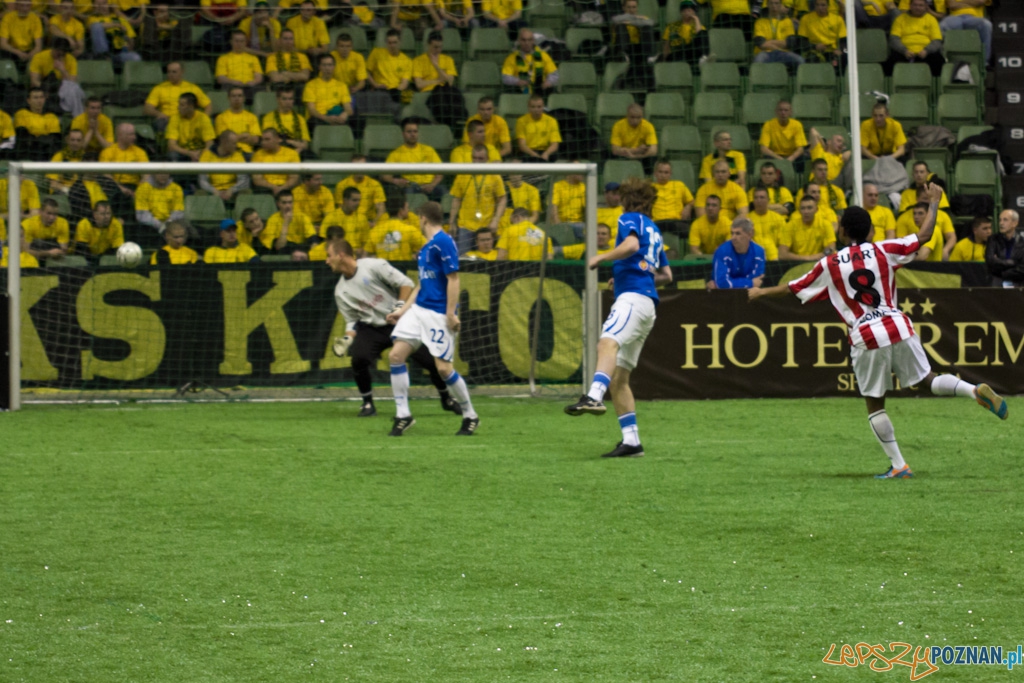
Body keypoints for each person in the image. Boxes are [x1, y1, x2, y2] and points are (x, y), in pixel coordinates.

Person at [749, 187, 1008, 479]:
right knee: (927, 379)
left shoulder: (830, 264)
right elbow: (924, 236)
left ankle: (899, 465)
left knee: (875, 403)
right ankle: (973, 390)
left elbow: (793, 287)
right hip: (898, 324)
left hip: (866, 334)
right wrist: (934, 202)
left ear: (842, 231)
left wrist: (761, 292)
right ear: (871, 230)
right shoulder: (884, 249)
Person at [564, 178, 672, 458]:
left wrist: (601, 257)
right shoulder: (655, 230)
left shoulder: (629, 218)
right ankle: (632, 442)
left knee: (606, 343)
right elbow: (666, 275)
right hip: (647, 305)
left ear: (627, 199)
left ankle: (593, 397)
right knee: (619, 379)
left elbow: (632, 245)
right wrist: (625, 277)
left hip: (633, 299)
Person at [325, 235, 463, 418]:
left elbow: (406, 284)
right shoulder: (340, 291)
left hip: (401, 319)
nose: (327, 261)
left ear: (341, 255)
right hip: (372, 328)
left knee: (432, 360)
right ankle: (367, 403)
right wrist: (347, 338)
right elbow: (352, 319)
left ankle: (446, 398)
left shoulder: (373, 266)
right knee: (358, 359)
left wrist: (398, 309)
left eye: (329, 255)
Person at [385, 201, 480, 436]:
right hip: (418, 310)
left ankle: (470, 415)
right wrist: (402, 311)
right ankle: (403, 415)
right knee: (396, 356)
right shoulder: (426, 248)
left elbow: (454, 279)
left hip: (438, 313)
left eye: (419, 218)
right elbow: (421, 284)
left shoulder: (443, 242)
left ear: (423, 218)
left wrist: (450, 313)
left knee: (444, 369)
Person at [449, 145, 507, 253]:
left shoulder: (494, 176)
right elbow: (457, 199)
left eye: (480, 158)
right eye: (474, 158)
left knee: (485, 259)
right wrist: (452, 222)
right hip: (465, 226)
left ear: (487, 159)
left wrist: (495, 220)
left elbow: (502, 199)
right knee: (463, 258)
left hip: (486, 227)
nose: (476, 161)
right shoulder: (463, 174)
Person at [382, 119, 444, 198]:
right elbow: (385, 175)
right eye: (409, 132)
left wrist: (432, 185)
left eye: (415, 131)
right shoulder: (396, 153)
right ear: (403, 134)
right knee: (409, 191)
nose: (413, 134)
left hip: (431, 185)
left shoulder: (428, 150)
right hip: (410, 186)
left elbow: (440, 172)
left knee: (445, 192)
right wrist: (396, 181)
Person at [98, 123, 148, 218]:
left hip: (135, 187)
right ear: (120, 135)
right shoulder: (107, 152)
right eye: (131, 134)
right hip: (115, 186)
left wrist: (139, 190)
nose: (134, 137)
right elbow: (106, 175)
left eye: (134, 134)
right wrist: (121, 188)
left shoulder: (140, 152)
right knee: (118, 194)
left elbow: (146, 175)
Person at [144, 63, 212, 132]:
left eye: (174, 72)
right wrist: (159, 114)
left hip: (189, 119)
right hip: (168, 119)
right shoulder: (159, 88)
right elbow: (147, 108)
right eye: (169, 72)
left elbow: (208, 106)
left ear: (182, 72)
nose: (171, 75)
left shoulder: (192, 88)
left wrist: (203, 119)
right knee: (159, 124)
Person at [28, 39, 86, 117]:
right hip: (45, 88)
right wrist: (45, 88)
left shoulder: (71, 59)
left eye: (63, 54)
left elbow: (72, 83)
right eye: (58, 53)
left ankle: (77, 116)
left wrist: (62, 70)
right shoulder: (39, 57)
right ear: (53, 48)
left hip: (62, 90)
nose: (60, 56)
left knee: (74, 89)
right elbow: (34, 81)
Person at [887, 0, 945, 77]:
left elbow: (937, 41)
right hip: (904, 52)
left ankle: (935, 84)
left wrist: (926, 51)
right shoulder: (900, 19)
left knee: (938, 60)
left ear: (926, 7)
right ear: (910, 6)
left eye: (921, 5)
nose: (917, 7)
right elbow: (894, 39)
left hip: (925, 52)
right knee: (890, 62)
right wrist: (904, 51)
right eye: (915, 5)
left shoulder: (931, 19)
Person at [894, 192, 955, 261]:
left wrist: (902, 260)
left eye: (920, 213)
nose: (916, 217)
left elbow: (922, 256)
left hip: (931, 267)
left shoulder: (932, 231)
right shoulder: (921, 231)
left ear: (929, 215)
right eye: (914, 213)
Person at [364, 194, 426, 260]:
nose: (408, 210)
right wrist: (415, 256)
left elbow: (365, 256)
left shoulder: (375, 231)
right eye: (407, 207)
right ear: (401, 211)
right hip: (404, 266)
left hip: (382, 266)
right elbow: (428, 247)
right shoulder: (410, 230)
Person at [711, 218, 766, 289]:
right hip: (725, 294)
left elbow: (758, 280)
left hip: (751, 292)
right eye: (732, 233)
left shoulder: (759, 252)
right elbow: (722, 283)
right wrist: (750, 283)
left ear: (750, 234)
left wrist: (732, 281)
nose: (733, 237)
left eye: (738, 233)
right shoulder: (722, 251)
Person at [303, 54, 353, 131]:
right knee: (313, 121)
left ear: (334, 67)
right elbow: (311, 110)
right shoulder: (310, 85)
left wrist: (344, 114)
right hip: (319, 118)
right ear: (319, 67)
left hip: (336, 116)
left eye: (330, 65)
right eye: (324, 65)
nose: (327, 68)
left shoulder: (341, 85)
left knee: (357, 119)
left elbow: (348, 108)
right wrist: (326, 118)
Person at [501, 28, 557, 95]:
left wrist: (548, 82)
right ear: (519, 41)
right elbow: (505, 77)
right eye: (523, 40)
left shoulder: (543, 56)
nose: (527, 43)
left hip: (540, 89)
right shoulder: (512, 58)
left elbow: (554, 74)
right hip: (521, 90)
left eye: (529, 40)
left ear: (533, 41)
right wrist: (517, 81)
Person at [778, 195, 836, 260]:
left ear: (816, 209)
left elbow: (831, 249)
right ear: (799, 211)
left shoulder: (825, 224)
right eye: (803, 208)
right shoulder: (789, 226)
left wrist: (822, 254)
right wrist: (808, 258)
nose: (806, 211)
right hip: (797, 263)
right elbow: (782, 254)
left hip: (818, 262)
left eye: (809, 208)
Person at [88, 0, 142, 69]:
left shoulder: (120, 19)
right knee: (96, 26)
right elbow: (93, 27)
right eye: (98, 4)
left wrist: (126, 38)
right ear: (94, 7)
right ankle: (104, 56)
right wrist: (117, 25)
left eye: (104, 3)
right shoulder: (92, 18)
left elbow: (131, 42)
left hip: (119, 53)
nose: (101, 6)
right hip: (101, 52)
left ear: (109, 4)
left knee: (136, 57)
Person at [333, 154, 386, 223]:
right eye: (357, 166)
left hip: (369, 221)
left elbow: (381, 208)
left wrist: (374, 223)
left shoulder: (375, 184)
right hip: (349, 221)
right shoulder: (342, 185)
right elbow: (341, 209)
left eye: (363, 166)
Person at [199, 130, 250, 201]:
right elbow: (203, 180)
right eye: (234, 143)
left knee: (246, 192)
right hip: (212, 191)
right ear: (224, 143)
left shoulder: (238, 156)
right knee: (200, 193)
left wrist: (231, 190)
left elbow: (244, 180)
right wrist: (214, 191)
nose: (236, 146)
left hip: (233, 192)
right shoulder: (206, 155)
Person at [166, 93, 216, 163]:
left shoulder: (203, 118)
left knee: (211, 153)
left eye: (182, 105)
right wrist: (189, 153)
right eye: (179, 104)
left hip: (200, 151)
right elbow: (171, 145)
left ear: (191, 106)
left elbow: (210, 144)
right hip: (183, 152)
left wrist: (200, 153)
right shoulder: (175, 118)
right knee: (172, 155)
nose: (178, 107)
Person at [367, 28, 413, 103]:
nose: (392, 45)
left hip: (396, 91)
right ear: (386, 43)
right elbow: (366, 72)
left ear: (400, 42)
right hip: (380, 89)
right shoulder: (376, 53)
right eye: (389, 43)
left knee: (408, 96)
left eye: (395, 42)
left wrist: (396, 91)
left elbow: (404, 83)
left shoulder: (407, 60)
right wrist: (375, 84)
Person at [610, 104, 659, 174]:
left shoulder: (648, 126)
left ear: (642, 116)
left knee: (652, 159)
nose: (635, 120)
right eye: (632, 117)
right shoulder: (618, 126)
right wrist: (636, 150)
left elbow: (653, 151)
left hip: (641, 158)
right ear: (627, 115)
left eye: (638, 117)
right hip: (624, 157)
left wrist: (636, 156)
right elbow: (615, 150)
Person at [14, 88, 61, 160]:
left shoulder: (52, 116)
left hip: (46, 154)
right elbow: (24, 137)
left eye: (41, 97)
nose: (39, 101)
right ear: (28, 100)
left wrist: (35, 138)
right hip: (28, 153)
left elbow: (55, 139)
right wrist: (43, 138)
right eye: (35, 98)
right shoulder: (21, 114)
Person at [650, 159, 694, 237]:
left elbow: (693, 201)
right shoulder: (649, 188)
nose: (663, 175)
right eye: (660, 172)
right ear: (655, 173)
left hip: (676, 222)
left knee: (692, 231)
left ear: (670, 174)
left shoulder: (679, 185)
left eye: (666, 172)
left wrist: (688, 206)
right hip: (657, 222)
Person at [759, 100, 807, 171]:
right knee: (766, 157)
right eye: (780, 110)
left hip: (791, 155)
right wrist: (780, 159)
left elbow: (800, 149)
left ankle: (799, 177)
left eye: (786, 110)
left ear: (791, 112)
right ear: (776, 112)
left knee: (801, 158)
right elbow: (763, 148)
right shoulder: (768, 125)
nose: (783, 113)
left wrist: (790, 159)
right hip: (775, 155)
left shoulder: (797, 125)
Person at [216, 31, 265, 99]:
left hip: (249, 87)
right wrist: (233, 82)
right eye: (236, 41)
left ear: (245, 42)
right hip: (231, 86)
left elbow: (259, 76)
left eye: (242, 41)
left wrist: (253, 82)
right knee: (226, 87)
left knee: (262, 89)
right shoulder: (223, 58)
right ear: (231, 42)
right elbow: (221, 78)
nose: (239, 44)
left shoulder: (253, 58)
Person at [251, 128, 301, 195]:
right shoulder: (257, 155)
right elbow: (257, 180)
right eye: (262, 140)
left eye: (267, 139)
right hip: (266, 188)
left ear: (277, 139)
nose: (263, 142)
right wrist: (274, 188)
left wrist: (282, 188)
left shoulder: (291, 153)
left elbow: (294, 178)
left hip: (286, 187)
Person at [941, 0, 991, 66]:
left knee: (987, 24)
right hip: (955, 17)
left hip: (974, 18)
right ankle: (945, 61)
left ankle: (984, 63)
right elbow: (952, 4)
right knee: (943, 25)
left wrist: (959, 3)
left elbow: (980, 1)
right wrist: (972, 3)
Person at [215, 87, 262, 157]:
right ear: (228, 98)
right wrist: (244, 136)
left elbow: (255, 140)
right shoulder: (221, 118)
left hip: (247, 153)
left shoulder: (252, 117)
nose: (236, 98)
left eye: (240, 96)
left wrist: (233, 138)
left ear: (244, 98)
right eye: (233, 96)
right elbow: (224, 140)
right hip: (229, 153)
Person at [798, 0, 847, 68]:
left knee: (844, 57)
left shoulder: (837, 19)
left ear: (828, 6)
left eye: (823, 5)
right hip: (814, 51)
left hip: (832, 51)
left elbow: (843, 39)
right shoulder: (806, 19)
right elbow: (801, 41)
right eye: (817, 5)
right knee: (812, 59)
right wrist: (815, 46)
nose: (820, 8)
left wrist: (840, 49)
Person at [262, 86, 310, 155]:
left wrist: (292, 147)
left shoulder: (300, 119)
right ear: (278, 99)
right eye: (284, 99)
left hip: (297, 151)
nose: (288, 102)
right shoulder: (268, 118)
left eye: (290, 99)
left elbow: (305, 145)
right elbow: (269, 142)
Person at [753, 0, 803, 65]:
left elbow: (790, 43)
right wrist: (779, 44)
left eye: (776, 3)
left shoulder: (787, 21)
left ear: (780, 5)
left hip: (782, 52)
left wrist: (769, 42)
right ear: (767, 5)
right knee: (758, 61)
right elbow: (761, 43)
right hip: (765, 52)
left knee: (800, 60)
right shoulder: (760, 22)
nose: (774, 6)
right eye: (771, 3)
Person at [322, 186, 370, 253]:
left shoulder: (362, 218)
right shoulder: (330, 217)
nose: (358, 203)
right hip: (338, 253)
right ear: (345, 200)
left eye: (359, 200)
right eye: (354, 200)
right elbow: (326, 241)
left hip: (358, 254)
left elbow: (365, 242)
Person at [515, 94, 561, 162]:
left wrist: (546, 153)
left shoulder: (551, 121)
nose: (536, 110)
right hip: (529, 151)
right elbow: (522, 145)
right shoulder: (521, 121)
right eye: (533, 107)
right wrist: (533, 154)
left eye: (539, 107)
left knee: (553, 155)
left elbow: (555, 144)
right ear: (528, 107)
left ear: (543, 107)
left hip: (545, 151)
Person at [985, 209, 1024, 286]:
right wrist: (1012, 263)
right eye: (1000, 220)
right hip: (996, 282)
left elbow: (1022, 269)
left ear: (1015, 223)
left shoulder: (1022, 242)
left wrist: (1003, 272)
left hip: (1017, 282)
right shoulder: (993, 240)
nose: (1001, 223)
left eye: (1005, 220)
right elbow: (990, 262)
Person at [0, 0, 43, 69]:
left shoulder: (35, 19)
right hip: (11, 51)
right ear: (16, 6)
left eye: (27, 6)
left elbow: (38, 46)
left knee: (33, 67)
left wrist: (30, 55)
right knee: (8, 68)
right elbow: (3, 44)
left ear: (31, 6)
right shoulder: (8, 18)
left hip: (29, 52)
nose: (25, 9)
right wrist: (18, 52)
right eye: (22, 5)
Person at [749, 187, 783, 259]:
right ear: (753, 201)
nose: (759, 200)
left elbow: (783, 243)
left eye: (762, 197)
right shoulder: (747, 220)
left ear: (768, 200)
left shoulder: (778, 219)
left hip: (775, 257)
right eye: (756, 198)